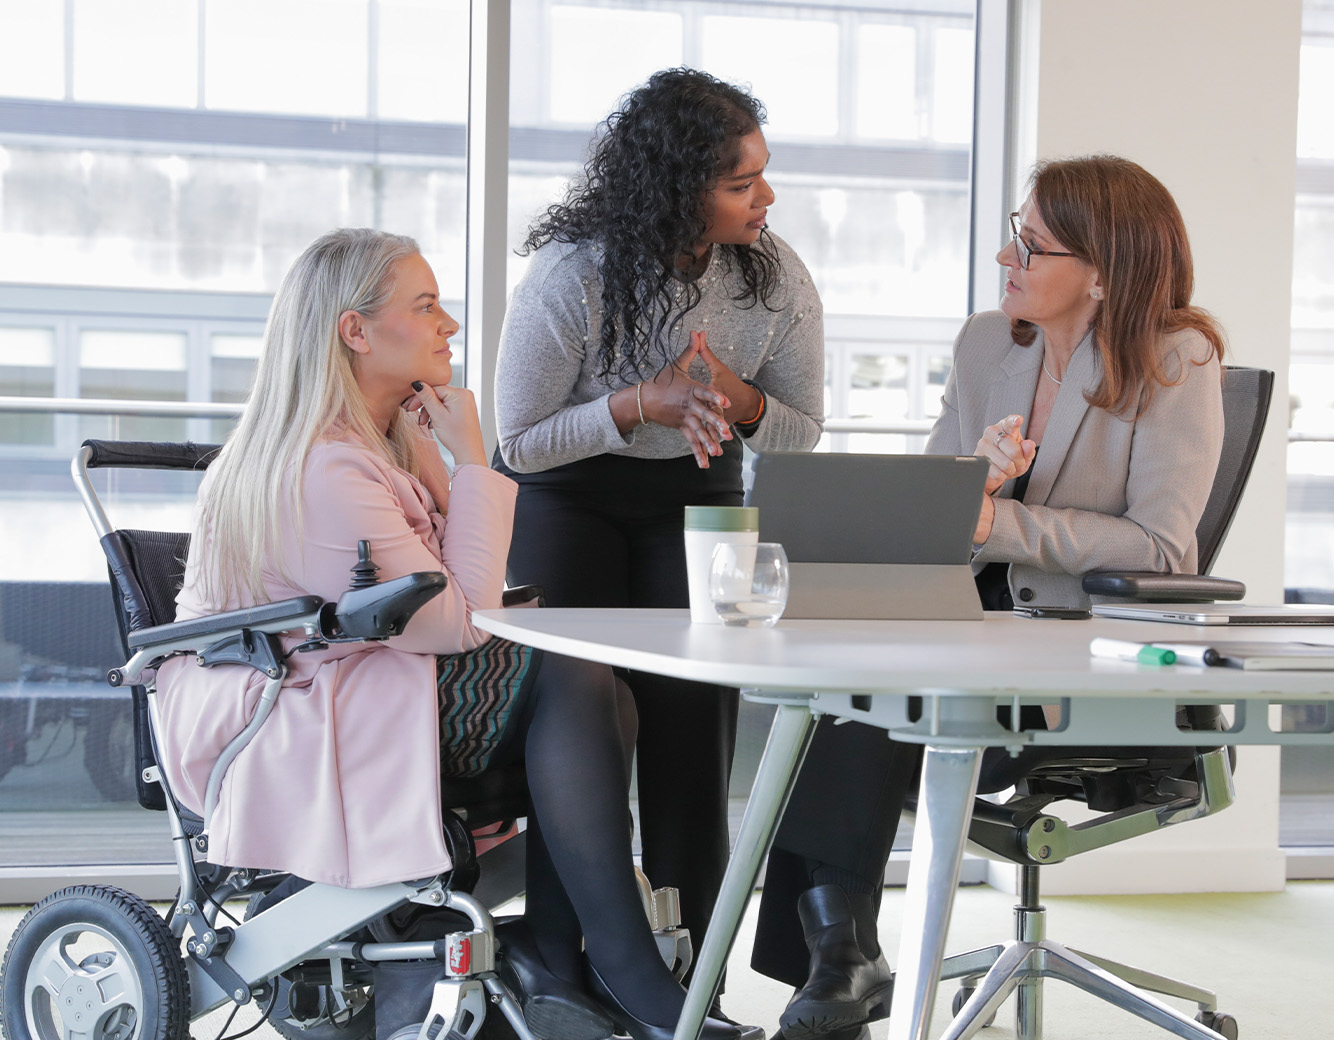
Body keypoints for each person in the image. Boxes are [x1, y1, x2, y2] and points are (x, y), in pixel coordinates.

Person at [153, 229, 744, 1040]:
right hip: (292, 712)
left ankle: (569, 970)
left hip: (365, 678)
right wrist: (474, 460)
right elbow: (457, 622)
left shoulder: (388, 443)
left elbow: (467, 604)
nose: (451, 326)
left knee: (599, 682)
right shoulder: (325, 469)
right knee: (573, 676)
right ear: (354, 331)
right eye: (425, 306)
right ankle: (618, 969)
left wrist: (457, 466)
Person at [751, 155, 1227, 1040]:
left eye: (1031, 244)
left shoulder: (1175, 359)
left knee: (873, 702)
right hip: (969, 632)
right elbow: (932, 510)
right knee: (845, 688)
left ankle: (840, 956)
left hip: (1092, 659)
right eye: (1016, 232)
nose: (1007, 258)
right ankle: (839, 950)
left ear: (1101, 271)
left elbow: (1162, 546)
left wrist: (996, 525)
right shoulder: (986, 344)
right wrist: (973, 491)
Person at [492, 64, 825, 1012]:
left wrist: (740, 397)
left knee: (690, 743)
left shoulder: (773, 275)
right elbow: (519, 442)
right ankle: (563, 966)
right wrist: (639, 403)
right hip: (568, 497)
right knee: (583, 730)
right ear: (680, 189)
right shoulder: (575, 274)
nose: (766, 197)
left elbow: (802, 429)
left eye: (763, 174)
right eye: (741, 182)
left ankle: (694, 985)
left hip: (704, 494)